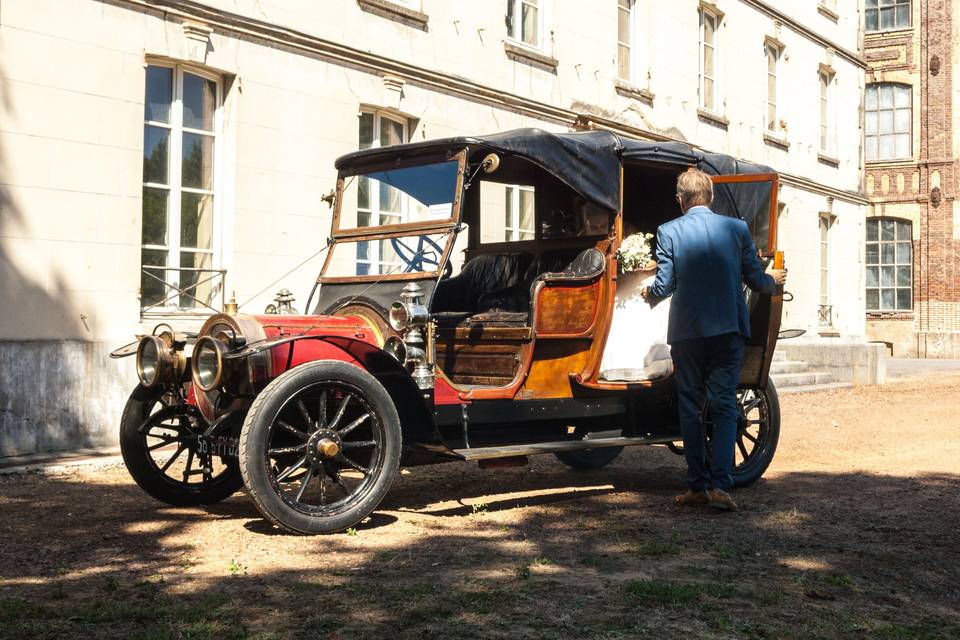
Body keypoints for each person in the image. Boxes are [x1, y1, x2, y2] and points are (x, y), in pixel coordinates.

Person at [641, 168, 787, 511]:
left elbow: (665, 285)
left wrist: (649, 292)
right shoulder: (736, 229)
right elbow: (755, 278)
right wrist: (773, 279)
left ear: (681, 200)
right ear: (711, 197)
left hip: (688, 333)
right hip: (727, 329)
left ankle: (697, 486)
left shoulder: (668, 231)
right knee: (723, 406)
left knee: (690, 408)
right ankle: (721, 487)